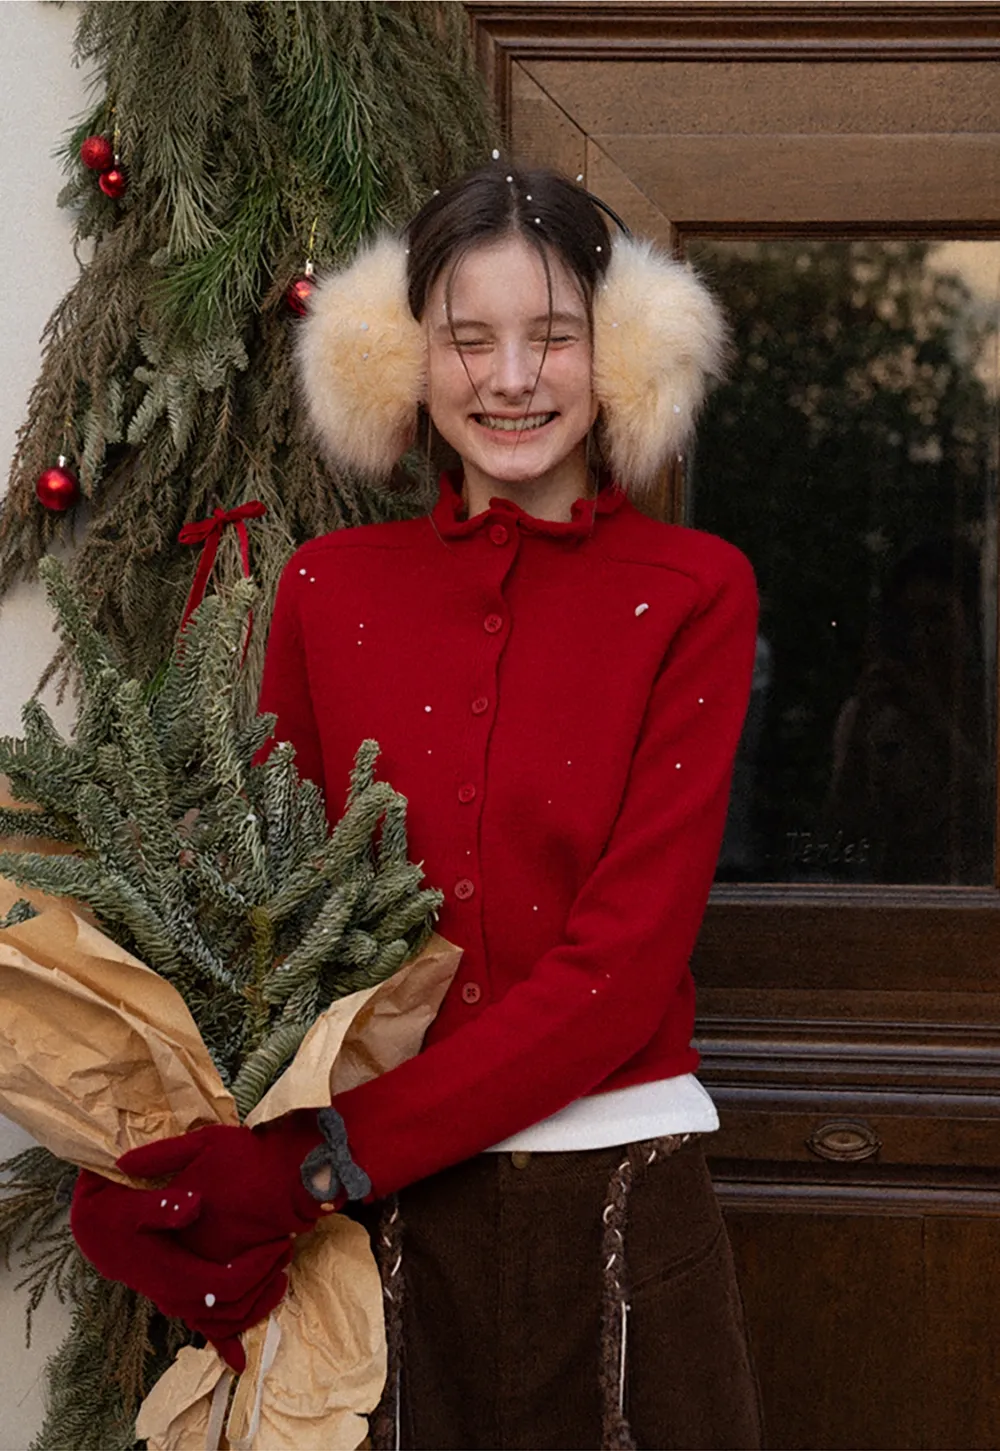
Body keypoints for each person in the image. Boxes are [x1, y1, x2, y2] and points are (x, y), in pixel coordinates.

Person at [71, 165, 762, 1450]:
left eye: (553, 335)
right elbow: (260, 907)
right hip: (374, 1234)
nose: (511, 377)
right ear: (409, 357)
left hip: (614, 1191)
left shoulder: (692, 591)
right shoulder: (330, 590)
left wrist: (323, 1156)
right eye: (469, 337)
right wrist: (151, 1150)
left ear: (615, 353)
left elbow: (620, 969)